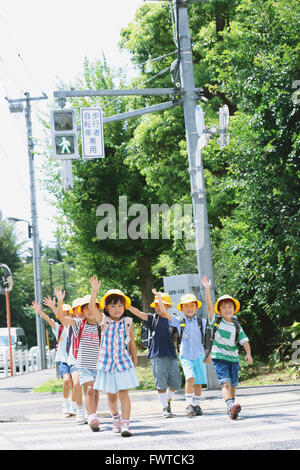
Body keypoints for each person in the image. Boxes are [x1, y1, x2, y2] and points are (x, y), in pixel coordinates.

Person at [89, 276, 139, 438]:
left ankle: (126, 423)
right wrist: (94, 292)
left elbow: (131, 342)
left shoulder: (128, 322)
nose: (117, 309)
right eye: (113, 306)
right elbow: (92, 308)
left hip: (123, 362)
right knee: (111, 395)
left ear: (124, 307)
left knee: (124, 393)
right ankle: (116, 418)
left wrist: (134, 358)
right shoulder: (103, 321)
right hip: (106, 363)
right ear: (107, 309)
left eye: (119, 305)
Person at [201, 275, 253, 419]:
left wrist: (248, 353)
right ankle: (230, 405)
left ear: (234, 309)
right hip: (219, 357)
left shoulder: (236, 325)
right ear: (219, 309)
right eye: (224, 307)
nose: (227, 309)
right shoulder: (215, 321)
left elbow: (244, 341)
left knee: (233, 385)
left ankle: (232, 408)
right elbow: (209, 305)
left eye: (230, 307)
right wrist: (207, 289)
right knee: (226, 383)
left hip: (233, 358)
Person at [129, 289, 181, 418]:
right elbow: (139, 313)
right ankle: (165, 408)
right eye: (156, 304)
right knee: (161, 383)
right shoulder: (153, 318)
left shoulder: (172, 319)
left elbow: (176, 336)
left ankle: (167, 400)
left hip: (171, 354)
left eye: (161, 304)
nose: (159, 307)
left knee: (176, 384)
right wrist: (127, 305)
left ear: (168, 306)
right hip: (156, 355)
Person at [55, 287, 102, 432]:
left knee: (95, 391)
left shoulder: (102, 323)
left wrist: (94, 292)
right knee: (88, 388)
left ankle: (91, 412)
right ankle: (91, 415)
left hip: (98, 363)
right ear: (82, 311)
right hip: (82, 364)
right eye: (86, 308)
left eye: (92, 307)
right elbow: (61, 318)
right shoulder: (78, 324)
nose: (89, 310)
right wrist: (60, 301)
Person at [32, 299, 74, 417]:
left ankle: (73, 405)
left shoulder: (75, 326)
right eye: (64, 313)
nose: (66, 315)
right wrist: (40, 311)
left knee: (75, 384)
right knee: (67, 380)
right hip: (63, 359)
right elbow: (48, 320)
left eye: (68, 313)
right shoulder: (58, 327)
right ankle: (65, 404)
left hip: (75, 359)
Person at [169, 293, 208, 417]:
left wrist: (208, 354)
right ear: (181, 308)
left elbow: (207, 339)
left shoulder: (202, 322)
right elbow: (165, 314)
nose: (189, 308)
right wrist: (159, 298)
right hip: (185, 356)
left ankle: (196, 405)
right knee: (190, 378)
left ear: (196, 307)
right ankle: (189, 404)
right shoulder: (179, 321)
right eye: (186, 306)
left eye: (192, 305)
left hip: (200, 355)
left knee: (198, 382)